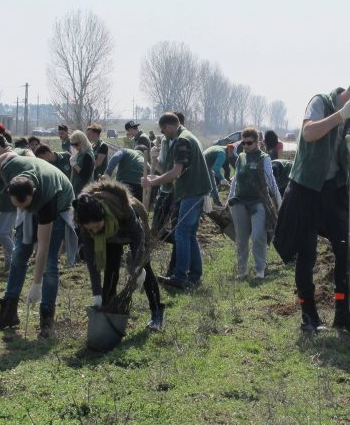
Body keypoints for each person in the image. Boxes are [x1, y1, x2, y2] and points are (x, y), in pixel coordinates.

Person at [274, 71, 350, 339]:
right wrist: (340, 115)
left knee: (347, 243)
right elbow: (309, 133)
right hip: (306, 188)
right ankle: (309, 316)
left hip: (332, 190)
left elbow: (344, 157)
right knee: (307, 251)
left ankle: (343, 313)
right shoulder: (320, 102)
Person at [0, 150, 78, 338]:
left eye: (24, 204)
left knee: (50, 263)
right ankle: (8, 314)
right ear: (8, 191)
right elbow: (8, 155)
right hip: (34, 198)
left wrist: (36, 284)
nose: (21, 208)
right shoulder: (11, 170)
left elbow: (42, 247)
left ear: (32, 194)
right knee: (19, 254)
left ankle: (46, 320)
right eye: (17, 205)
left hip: (59, 205)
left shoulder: (47, 200)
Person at [76, 179, 164, 331]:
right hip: (110, 237)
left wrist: (138, 265)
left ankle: (156, 312)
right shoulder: (84, 222)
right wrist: (97, 294)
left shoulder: (122, 207)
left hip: (130, 230)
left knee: (144, 268)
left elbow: (137, 236)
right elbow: (91, 260)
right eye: (91, 229)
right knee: (111, 270)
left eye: (97, 226)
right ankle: (108, 311)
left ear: (103, 215)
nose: (94, 231)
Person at [142, 112, 211, 290]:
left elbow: (176, 173)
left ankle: (179, 276)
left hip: (192, 192)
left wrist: (152, 182)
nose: (163, 134)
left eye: (163, 131)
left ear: (169, 127)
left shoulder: (181, 141)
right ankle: (194, 275)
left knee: (181, 232)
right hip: (196, 191)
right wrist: (157, 175)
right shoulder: (187, 136)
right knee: (189, 233)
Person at [227, 128, 282, 279]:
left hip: (258, 201)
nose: (245, 146)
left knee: (258, 235)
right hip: (240, 201)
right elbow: (235, 179)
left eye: (249, 143)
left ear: (257, 142)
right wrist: (229, 199)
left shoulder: (264, 158)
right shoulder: (241, 158)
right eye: (243, 143)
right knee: (241, 238)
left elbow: (271, 181)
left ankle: (260, 269)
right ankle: (242, 271)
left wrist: (279, 202)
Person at [0, 134, 31, 275]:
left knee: (1, 233)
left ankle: (19, 258)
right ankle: (9, 265)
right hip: (5, 201)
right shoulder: (4, 157)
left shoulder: (10, 157)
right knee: (8, 233)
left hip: (10, 202)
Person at [69, 130, 94, 195]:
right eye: (72, 144)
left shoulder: (87, 155)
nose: (74, 146)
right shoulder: (80, 153)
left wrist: (75, 165)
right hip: (77, 189)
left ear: (83, 142)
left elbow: (85, 175)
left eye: (76, 144)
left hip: (84, 191)